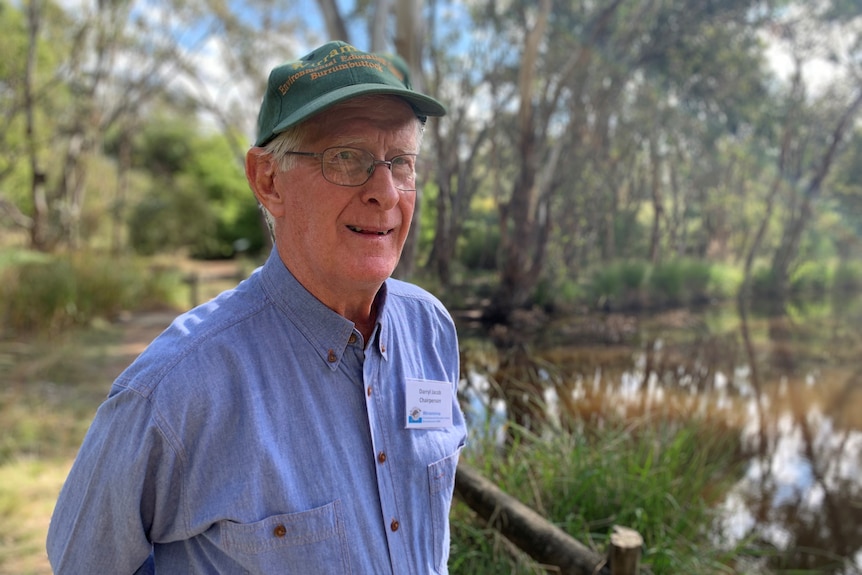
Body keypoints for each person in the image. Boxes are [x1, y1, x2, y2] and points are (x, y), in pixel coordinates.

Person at [47, 40, 467, 574]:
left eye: (401, 162)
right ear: (268, 181)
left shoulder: (430, 329)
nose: (385, 191)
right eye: (347, 158)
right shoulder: (173, 391)